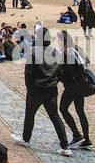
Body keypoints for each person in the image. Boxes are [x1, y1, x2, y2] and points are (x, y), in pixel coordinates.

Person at [11, 27, 71, 155]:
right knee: (55, 117)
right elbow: (61, 71)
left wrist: (29, 87)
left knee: (30, 114)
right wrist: (54, 82)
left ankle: (26, 138)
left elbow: (29, 72)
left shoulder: (33, 52)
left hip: (36, 89)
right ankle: (65, 146)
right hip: (51, 89)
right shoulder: (56, 52)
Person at [57, 30, 92, 150]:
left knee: (63, 109)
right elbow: (87, 61)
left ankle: (77, 134)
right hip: (81, 84)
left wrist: (59, 77)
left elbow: (68, 72)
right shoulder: (77, 48)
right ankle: (86, 139)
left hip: (72, 86)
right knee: (80, 112)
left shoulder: (66, 52)